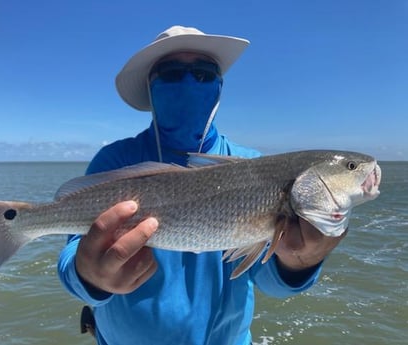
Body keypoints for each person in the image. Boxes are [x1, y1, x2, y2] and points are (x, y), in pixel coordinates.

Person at [58, 25, 346, 345]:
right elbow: (73, 259)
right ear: (150, 87)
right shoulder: (115, 161)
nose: (188, 82)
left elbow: (270, 282)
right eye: (170, 72)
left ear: (219, 87)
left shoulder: (254, 166)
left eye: (203, 73)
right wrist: (89, 276)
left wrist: (299, 262)